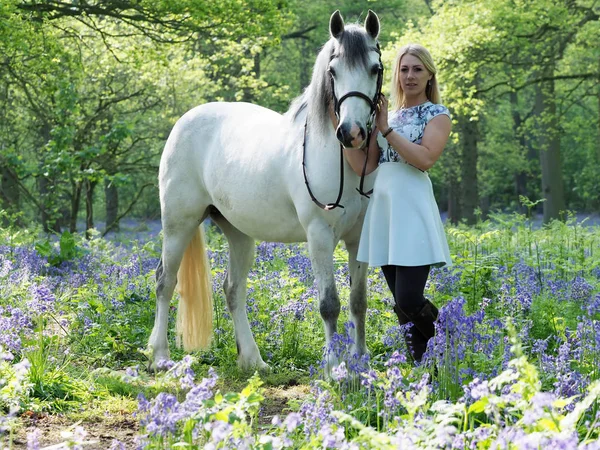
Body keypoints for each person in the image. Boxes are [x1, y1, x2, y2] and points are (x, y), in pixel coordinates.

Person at [344, 43, 452, 363]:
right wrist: (347, 137)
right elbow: (367, 166)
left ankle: (452, 342)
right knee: (400, 302)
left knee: (409, 296)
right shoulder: (388, 116)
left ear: (430, 75)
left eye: (417, 69)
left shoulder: (438, 115)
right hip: (385, 210)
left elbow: (425, 159)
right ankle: (423, 368)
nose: (410, 76)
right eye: (404, 69)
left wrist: (387, 129)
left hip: (413, 208)